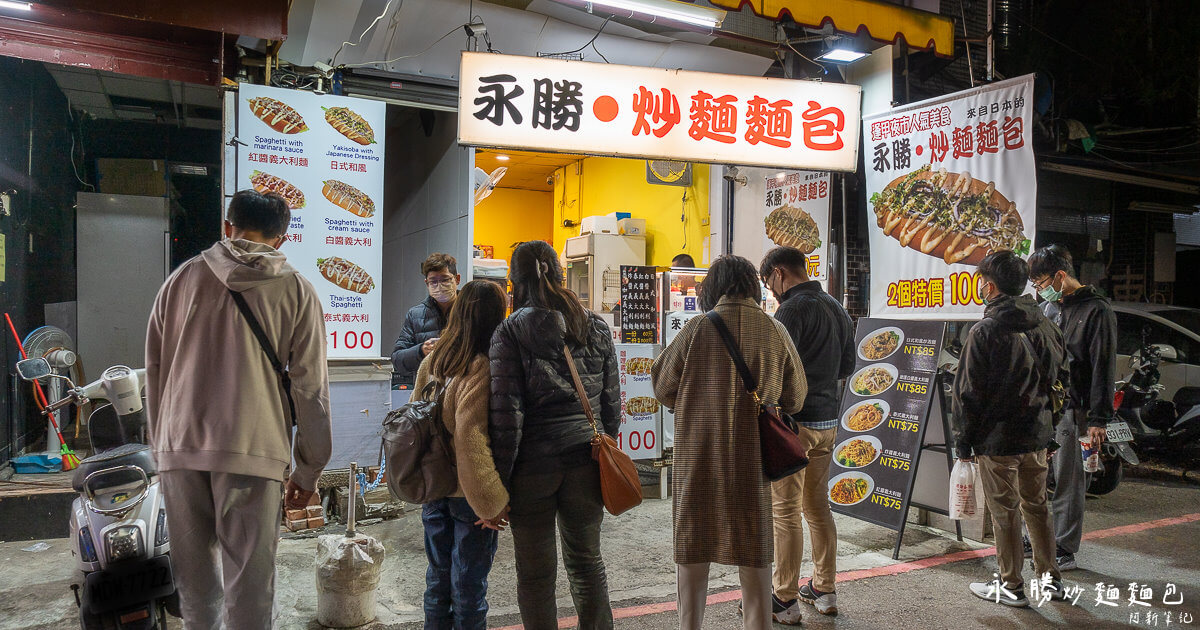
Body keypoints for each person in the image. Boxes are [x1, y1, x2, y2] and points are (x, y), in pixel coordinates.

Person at [145, 189, 331, 629]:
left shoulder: (179, 281)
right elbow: (311, 391)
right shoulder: (298, 292)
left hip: (180, 448)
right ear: (282, 239)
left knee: (195, 591)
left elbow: (155, 370)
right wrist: (309, 470)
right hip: (254, 452)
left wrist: (162, 446)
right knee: (250, 589)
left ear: (228, 227)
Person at [652, 254, 806, 630]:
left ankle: (690, 625)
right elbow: (797, 397)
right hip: (751, 460)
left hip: (698, 457)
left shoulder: (696, 329)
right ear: (752, 286)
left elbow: (661, 386)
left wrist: (693, 402)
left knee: (693, 548)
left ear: (713, 288)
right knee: (754, 554)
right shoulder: (774, 330)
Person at [489, 240, 620, 630]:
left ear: (516, 280)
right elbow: (611, 401)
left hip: (532, 468)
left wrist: (500, 479)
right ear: (559, 272)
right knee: (587, 563)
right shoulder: (594, 324)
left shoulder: (508, 332)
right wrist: (605, 447)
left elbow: (506, 416)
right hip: (586, 457)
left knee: (534, 575)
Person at [952, 250, 1069, 607]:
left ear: (989, 286)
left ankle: (1011, 585)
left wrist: (963, 442)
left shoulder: (984, 331)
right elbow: (1062, 381)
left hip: (998, 441)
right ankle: (1051, 580)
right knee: (1038, 506)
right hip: (1037, 436)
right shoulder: (1047, 326)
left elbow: (968, 393)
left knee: (1005, 512)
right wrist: (1051, 430)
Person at [758, 246, 854, 622]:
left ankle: (784, 598)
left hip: (794, 424)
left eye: (769, 283)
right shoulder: (836, 306)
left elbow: (775, 367)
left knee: (784, 512)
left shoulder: (791, 310)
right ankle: (824, 588)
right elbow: (848, 364)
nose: (771, 291)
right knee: (817, 506)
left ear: (779, 273)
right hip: (829, 422)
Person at [412, 280, 512, 630]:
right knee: (468, 588)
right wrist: (491, 503)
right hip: (466, 497)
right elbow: (471, 442)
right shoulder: (479, 366)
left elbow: (416, 423)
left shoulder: (434, 361)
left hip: (433, 490)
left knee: (437, 583)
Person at [1028, 244, 1116, 571]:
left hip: (1074, 408)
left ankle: (1064, 546)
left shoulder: (1097, 311)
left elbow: (1102, 366)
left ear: (1060, 276)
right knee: (1039, 474)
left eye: (1041, 283)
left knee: (1068, 478)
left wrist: (1098, 418)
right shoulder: (1053, 308)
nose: (1039, 291)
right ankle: (1036, 536)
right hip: (1045, 407)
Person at [393, 253, 460, 386]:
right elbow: (397, 359)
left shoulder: (470, 310)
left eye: (445, 279)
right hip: (428, 392)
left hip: (460, 388)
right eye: (433, 281)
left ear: (457, 279)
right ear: (426, 283)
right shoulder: (415, 315)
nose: (439, 286)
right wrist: (421, 350)